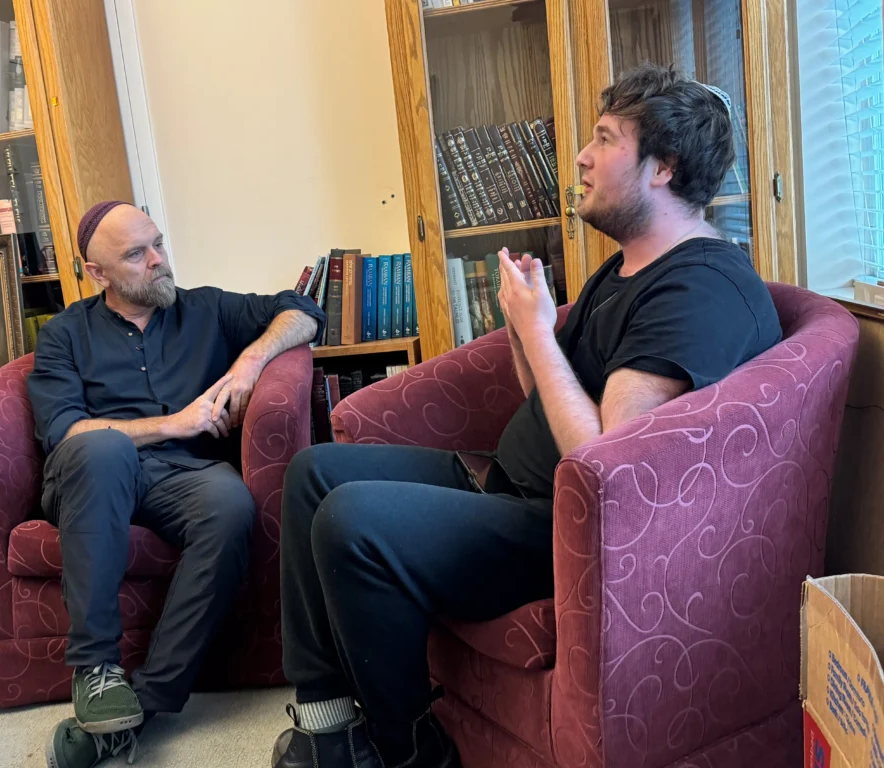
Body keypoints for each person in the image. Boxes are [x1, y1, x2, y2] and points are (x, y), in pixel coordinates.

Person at [271, 64, 783, 768]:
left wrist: (541, 333)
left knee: (352, 523)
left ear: (662, 168)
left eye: (605, 139)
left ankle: (408, 749)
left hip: (572, 531)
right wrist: (523, 328)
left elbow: (610, 458)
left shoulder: (699, 288)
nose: (581, 155)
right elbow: (545, 394)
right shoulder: (627, 266)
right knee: (313, 472)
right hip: (516, 487)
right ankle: (328, 721)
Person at [26, 201, 324, 768]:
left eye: (158, 243)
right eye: (137, 254)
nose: (159, 261)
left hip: (182, 477)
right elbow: (64, 432)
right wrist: (175, 423)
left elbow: (304, 311)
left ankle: (140, 708)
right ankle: (96, 669)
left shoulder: (207, 310)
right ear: (98, 273)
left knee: (231, 506)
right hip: (95, 475)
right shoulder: (65, 334)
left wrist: (250, 362)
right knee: (103, 446)